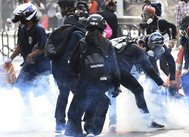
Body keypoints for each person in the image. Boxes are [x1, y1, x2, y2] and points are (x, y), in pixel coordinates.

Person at [64, 14, 121, 136]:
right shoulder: (107, 43)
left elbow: (73, 64)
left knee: (74, 113)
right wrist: (116, 86)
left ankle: (75, 133)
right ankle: (90, 131)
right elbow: (114, 68)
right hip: (101, 85)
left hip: (83, 85)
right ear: (103, 28)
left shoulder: (82, 42)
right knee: (95, 110)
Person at [5, 3, 56, 116]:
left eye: (21, 16)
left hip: (40, 66)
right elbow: (20, 46)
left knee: (44, 89)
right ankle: (28, 109)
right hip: (28, 66)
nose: (19, 19)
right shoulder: (23, 29)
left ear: (28, 16)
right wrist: (10, 59)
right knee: (21, 85)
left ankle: (57, 109)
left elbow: (43, 47)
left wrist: (31, 55)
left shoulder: (39, 29)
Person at [108, 36, 168, 130]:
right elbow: (147, 67)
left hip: (107, 69)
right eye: (155, 47)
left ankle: (111, 121)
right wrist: (161, 82)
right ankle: (147, 121)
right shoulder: (138, 49)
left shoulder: (125, 46)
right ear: (142, 44)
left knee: (110, 93)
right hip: (120, 70)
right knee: (138, 90)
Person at [52, 0, 89, 134]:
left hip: (59, 68)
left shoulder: (67, 24)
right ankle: (72, 127)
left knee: (63, 95)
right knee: (81, 96)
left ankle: (59, 124)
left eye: (60, 7)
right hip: (68, 69)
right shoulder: (76, 27)